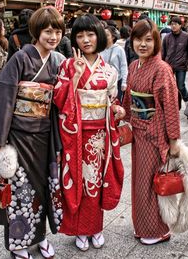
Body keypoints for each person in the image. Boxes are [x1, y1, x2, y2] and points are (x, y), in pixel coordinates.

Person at [0, 7, 66, 259]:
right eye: (48, 31)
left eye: (58, 32)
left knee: (44, 189)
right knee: (19, 190)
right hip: (18, 136)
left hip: (45, 134)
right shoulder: (21, 58)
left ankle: (40, 237)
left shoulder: (57, 61)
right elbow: (4, 96)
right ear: (37, 32)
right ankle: (18, 243)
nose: (53, 36)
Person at [54, 14, 125, 251]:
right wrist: (74, 76)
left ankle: (96, 228)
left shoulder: (109, 70)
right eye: (80, 35)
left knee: (95, 182)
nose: (85, 40)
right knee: (77, 181)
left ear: (99, 37)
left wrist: (116, 108)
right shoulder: (67, 65)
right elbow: (58, 98)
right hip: (75, 133)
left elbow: (111, 99)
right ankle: (79, 230)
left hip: (100, 136)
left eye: (90, 34)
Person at [122, 18, 181, 245]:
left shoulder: (162, 69)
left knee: (150, 182)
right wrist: (123, 114)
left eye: (148, 40)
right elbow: (129, 97)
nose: (143, 44)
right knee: (140, 180)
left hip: (155, 133)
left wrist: (173, 139)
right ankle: (142, 225)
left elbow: (170, 106)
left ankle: (156, 229)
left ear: (157, 42)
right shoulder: (133, 65)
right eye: (138, 39)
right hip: (138, 131)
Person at [162, 16, 188, 108]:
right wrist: (163, 63)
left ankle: (187, 101)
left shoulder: (186, 36)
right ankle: (172, 105)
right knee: (169, 87)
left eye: (175, 24)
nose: (173, 26)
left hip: (181, 66)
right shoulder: (167, 37)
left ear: (180, 25)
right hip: (169, 66)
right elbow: (163, 51)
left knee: (180, 86)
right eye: (172, 24)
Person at [100, 25, 128, 102]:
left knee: (116, 102)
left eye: (107, 35)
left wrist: (124, 82)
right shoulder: (100, 49)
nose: (105, 37)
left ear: (113, 37)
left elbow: (123, 66)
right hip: (103, 80)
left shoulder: (119, 49)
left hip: (117, 81)